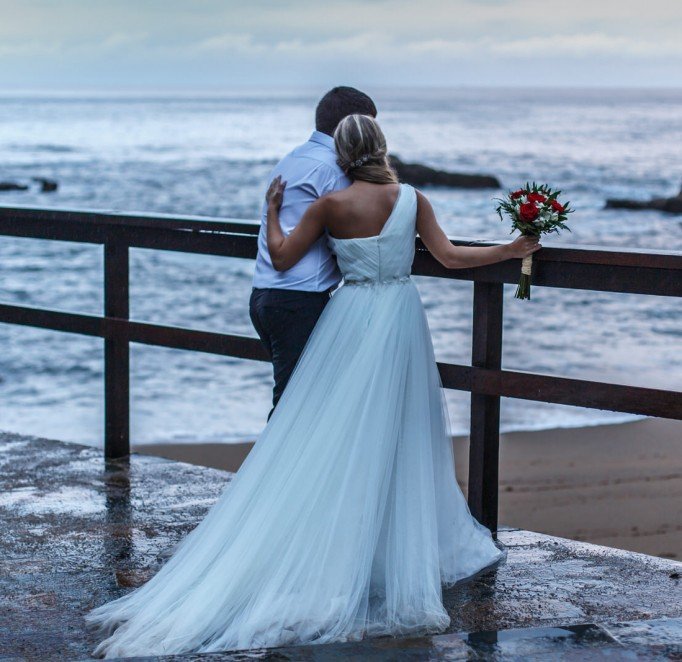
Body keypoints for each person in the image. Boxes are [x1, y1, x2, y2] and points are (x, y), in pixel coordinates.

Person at [85, 114, 540, 658]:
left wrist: (273, 210)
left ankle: (342, 547)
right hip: (398, 317)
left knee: (338, 431)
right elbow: (448, 257)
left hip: (347, 317)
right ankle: (390, 551)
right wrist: (511, 251)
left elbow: (281, 256)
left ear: (343, 155)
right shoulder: (412, 198)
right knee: (400, 431)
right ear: (382, 147)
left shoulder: (329, 205)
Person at [250, 86, 377, 418]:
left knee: (299, 399)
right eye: (368, 126)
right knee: (295, 409)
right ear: (348, 127)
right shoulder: (332, 171)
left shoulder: (293, 158)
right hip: (299, 302)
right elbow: (357, 231)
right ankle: (271, 471)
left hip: (266, 296)